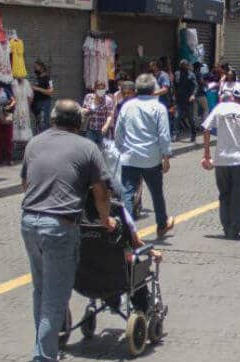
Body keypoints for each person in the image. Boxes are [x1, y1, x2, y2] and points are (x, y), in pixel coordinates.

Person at [20, 100, 117, 362]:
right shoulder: (87, 147)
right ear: (79, 122)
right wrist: (105, 220)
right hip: (59, 226)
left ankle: (45, 350)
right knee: (54, 298)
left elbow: (26, 184)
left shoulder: (34, 143)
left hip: (29, 222)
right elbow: (101, 191)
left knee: (41, 291)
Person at [114, 73, 174, 235]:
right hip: (151, 159)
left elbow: (118, 131)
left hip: (130, 157)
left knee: (127, 193)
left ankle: (127, 229)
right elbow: (164, 135)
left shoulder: (127, 106)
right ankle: (162, 225)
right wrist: (166, 156)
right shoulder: (158, 107)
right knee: (156, 192)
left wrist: (120, 149)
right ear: (153, 89)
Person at [200, 83, 240, 239]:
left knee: (225, 195)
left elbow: (206, 129)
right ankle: (234, 228)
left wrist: (207, 153)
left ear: (233, 96)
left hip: (221, 161)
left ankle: (226, 227)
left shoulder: (220, 109)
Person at [173, 60, 199, 142]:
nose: (182, 67)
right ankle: (176, 134)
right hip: (179, 101)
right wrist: (174, 95)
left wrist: (193, 95)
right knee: (177, 117)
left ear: (187, 66)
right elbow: (174, 86)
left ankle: (193, 134)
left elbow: (196, 86)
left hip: (189, 101)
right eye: (181, 65)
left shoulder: (191, 75)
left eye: (184, 65)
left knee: (190, 119)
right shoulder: (176, 74)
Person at [81, 81, 115, 146]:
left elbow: (109, 115)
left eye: (102, 89)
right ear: (95, 89)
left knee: (103, 149)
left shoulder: (108, 100)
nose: (101, 91)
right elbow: (83, 109)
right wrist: (87, 110)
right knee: (90, 147)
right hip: (90, 129)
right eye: (99, 89)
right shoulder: (88, 97)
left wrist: (106, 125)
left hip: (102, 130)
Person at [30, 61, 54, 132]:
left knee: (44, 123)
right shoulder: (37, 78)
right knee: (38, 123)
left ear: (42, 68)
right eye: (34, 68)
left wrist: (37, 88)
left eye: (36, 67)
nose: (35, 69)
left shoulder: (48, 79)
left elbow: (50, 92)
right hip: (36, 104)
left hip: (44, 103)